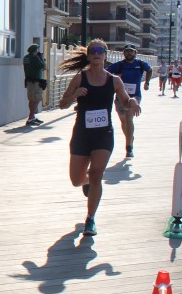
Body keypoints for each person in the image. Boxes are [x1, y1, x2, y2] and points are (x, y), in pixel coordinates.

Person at [57, 39, 140, 236]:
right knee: (76, 180)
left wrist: (133, 102)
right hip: (82, 134)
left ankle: (90, 218)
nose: (96, 53)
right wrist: (75, 95)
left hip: (103, 134)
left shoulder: (114, 80)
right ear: (88, 55)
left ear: (105, 55)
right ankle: (85, 183)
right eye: (93, 50)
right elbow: (62, 104)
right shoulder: (80, 78)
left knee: (96, 174)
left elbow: (125, 102)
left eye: (100, 50)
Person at [106, 44, 151, 157]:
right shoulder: (119, 65)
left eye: (131, 51)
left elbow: (149, 70)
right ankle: (130, 138)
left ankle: (129, 147)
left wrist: (147, 82)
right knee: (123, 121)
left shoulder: (140, 64)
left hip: (135, 96)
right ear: (124, 53)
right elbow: (106, 72)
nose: (129, 53)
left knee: (129, 118)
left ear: (135, 53)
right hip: (120, 96)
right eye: (127, 51)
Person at [23, 44, 46, 126]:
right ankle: (30, 118)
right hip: (36, 82)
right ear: (35, 51)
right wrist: (42, 58)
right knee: (36, 100)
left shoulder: (26, 57)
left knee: (31, 100)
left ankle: (32, 117)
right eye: (37, 50)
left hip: (29, 81)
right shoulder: (35, 58)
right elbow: (43, 66)